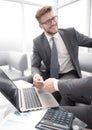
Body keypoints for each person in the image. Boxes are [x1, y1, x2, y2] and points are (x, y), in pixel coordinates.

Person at [30, 5, 92, 104]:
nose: (53, 23)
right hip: (51, 74)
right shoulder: (37, 42)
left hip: (69, 73)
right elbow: (34, 65)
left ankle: (58, 116)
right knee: (34, 86)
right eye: (48, 21)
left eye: (54, 18)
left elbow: (90, 42)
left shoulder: (71, 33)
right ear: (41, 26)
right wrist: (36, 76)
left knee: (63, 94)